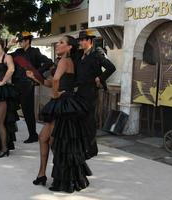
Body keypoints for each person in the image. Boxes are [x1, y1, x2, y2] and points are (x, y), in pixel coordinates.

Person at [37, 35, 92, 193]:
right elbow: (51, 82)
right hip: (63, 103)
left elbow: (55, 81)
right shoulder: (64, 61)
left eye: (61, 43)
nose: (57, 44)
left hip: (63, 104)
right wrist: (36, 77)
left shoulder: (64, 61)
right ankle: (42, 174)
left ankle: (64, 177)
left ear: (69, 47)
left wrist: (55, 95)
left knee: (57, 143)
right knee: (44, 139)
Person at [76, 30, 116, 159]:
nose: (81, 42)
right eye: (80, 40)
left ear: (90, 41)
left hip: (90, 91)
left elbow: (111, 67)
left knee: (89, 121)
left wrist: (100, 78)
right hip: (80, 90)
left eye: (83, 40)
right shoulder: (80, 55)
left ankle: (92, 149)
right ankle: (84, 146)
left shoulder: (97, 53)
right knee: (81, 120)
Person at [9, 31, 53, 143]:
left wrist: (36, 73)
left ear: (27, 41)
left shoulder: (35, 52)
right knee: (10, 107)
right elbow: (4, 56)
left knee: (27, 110)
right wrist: (8, 46)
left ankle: (33, 135)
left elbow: (48, 62)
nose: (19, 43)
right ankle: (11, 132)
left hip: (27, 85)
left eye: (21, 41)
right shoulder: (17, 52)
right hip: (16, 84)